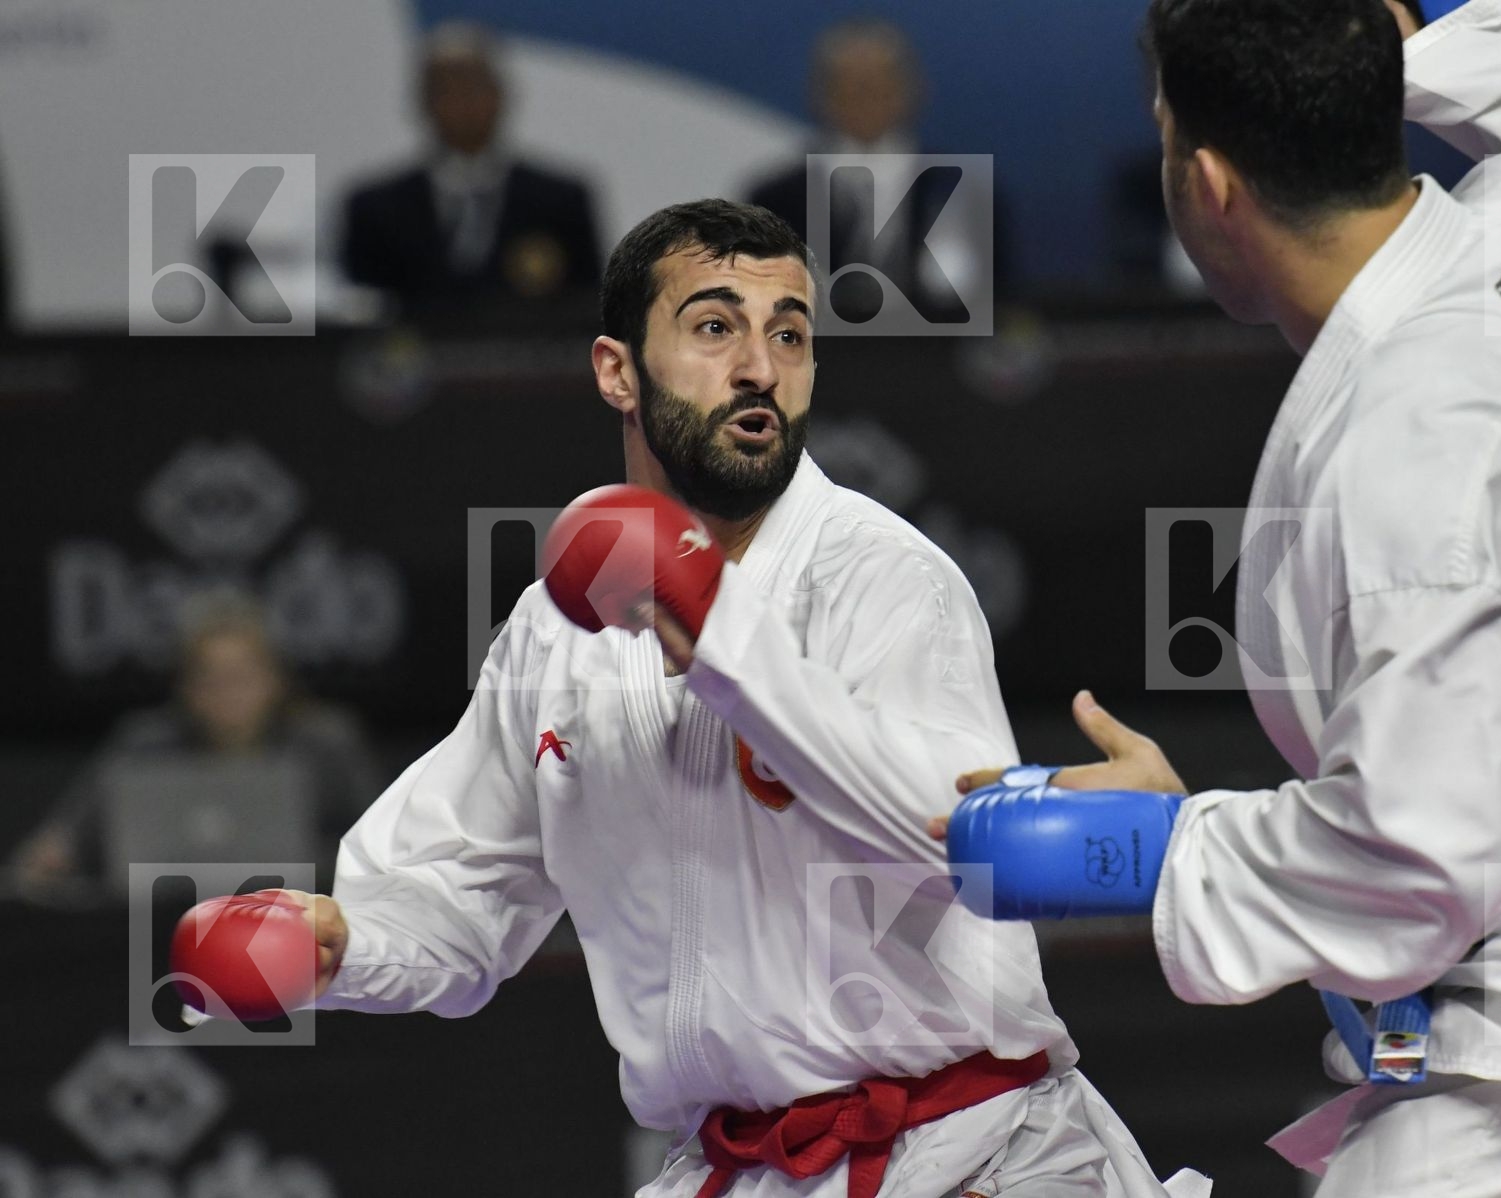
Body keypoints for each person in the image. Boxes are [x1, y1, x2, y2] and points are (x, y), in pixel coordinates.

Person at [944, 0, 1501, 1194]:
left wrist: (1158, 849)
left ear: (1211, 185)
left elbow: (1427, 858)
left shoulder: (1404, 457)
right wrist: (1423, 43)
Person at [259, 201, 1197, 1197]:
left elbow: (958, 842)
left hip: (973, 1153)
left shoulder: (883, 576)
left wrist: (720, 634)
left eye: (788, 335)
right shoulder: (554, 634)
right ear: (618, 371)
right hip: (736, 1164)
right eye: (715, 327)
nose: (759, 368)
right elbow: (461, 892)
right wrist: (341, 945)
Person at [9, 593, 382, 894]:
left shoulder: (326, 743)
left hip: (299, 921)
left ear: (276, 681)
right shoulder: (142, 747)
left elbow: (379, 850)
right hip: (158, 925)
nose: (227, 695)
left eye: (241, 678)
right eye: (210, 680)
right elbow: (59, 843)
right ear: (185, 689)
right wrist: (48, 859)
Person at [745, 19, 998, 323]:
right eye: (847, 84)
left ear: (913, 89)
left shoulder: (962, 191)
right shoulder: (773, 202)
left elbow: (999, 306)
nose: (865, 96)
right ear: (819, 93)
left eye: (880, 83)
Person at [340, 22, 604, 313]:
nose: (461, 103)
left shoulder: (560, 201)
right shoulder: (375, 209)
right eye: (444, 89)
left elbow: (588, 308)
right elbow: (359, 312)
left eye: (473, 87)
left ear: (500, 96)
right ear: (422, 103)